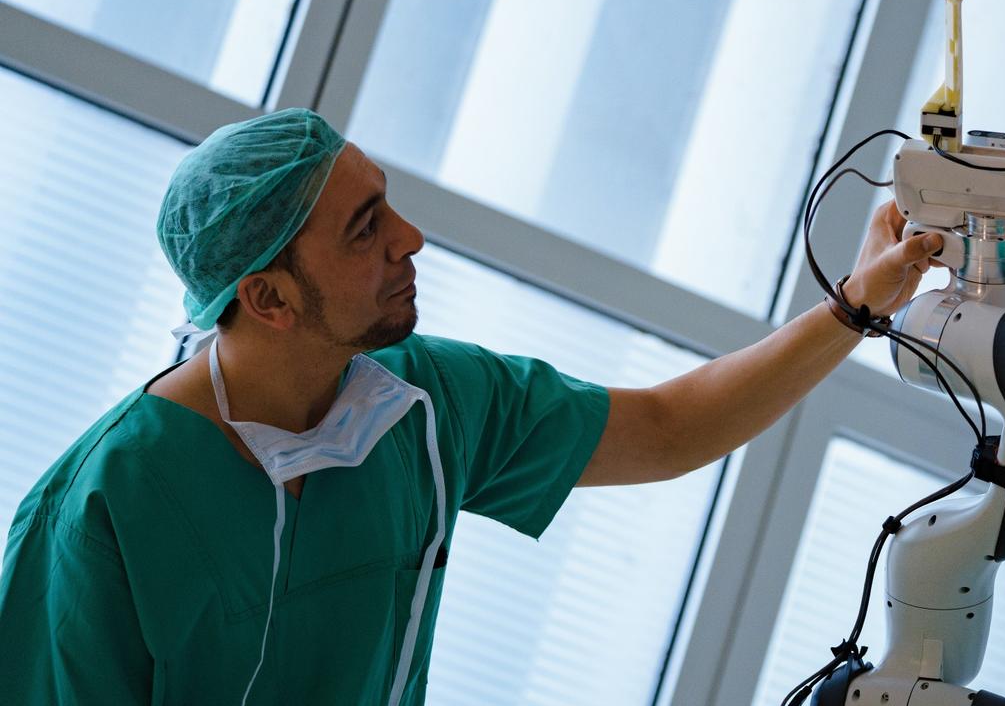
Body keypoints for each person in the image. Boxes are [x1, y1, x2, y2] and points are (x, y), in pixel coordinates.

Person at [0, 108, 947, 704]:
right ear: (269, 300)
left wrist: (858, 304)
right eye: (366, 230)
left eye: (389, 204)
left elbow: (666, 428)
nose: (411, 238)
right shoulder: (100, 513)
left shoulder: (424, 404)